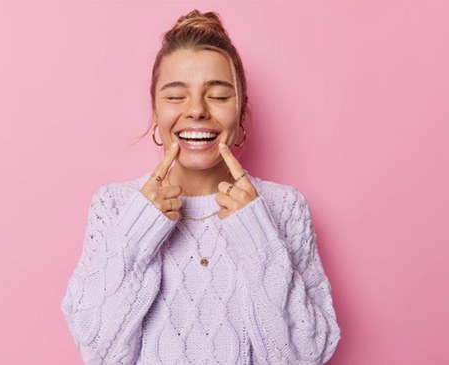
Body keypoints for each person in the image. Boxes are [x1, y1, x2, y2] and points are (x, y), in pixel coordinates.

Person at [61, 9, 340, 365]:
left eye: (219, 96)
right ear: (156, 112)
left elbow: (307, 354)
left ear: (241, 114)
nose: (196, 111)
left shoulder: (284, 207)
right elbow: (98, 351)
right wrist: (137, 231)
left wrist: (257, 233)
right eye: (176, 96)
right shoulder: (115, 207)